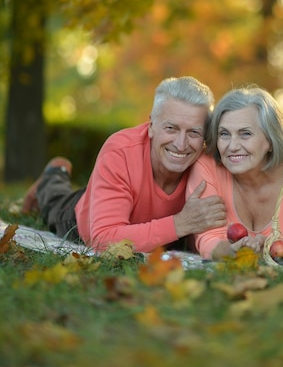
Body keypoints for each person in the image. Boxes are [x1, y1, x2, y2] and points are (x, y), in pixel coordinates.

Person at [22, 76, 227, 253]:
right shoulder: (120, 152)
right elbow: (102, 239)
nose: (181, 144)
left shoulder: (207, 164)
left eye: (194, 132)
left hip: (151, 226)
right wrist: (181, 223)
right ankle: (52, 175)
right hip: (83, 219)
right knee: (54, 201)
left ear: (205, 138)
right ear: (151, 126)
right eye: (171, 128)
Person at [186, 85, 283, 260]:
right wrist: (232, 252)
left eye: (245, 134)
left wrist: (269, 246)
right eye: (224, 134)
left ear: (271, 140)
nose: (232, 146)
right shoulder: (207, 165)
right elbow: (208, 239)